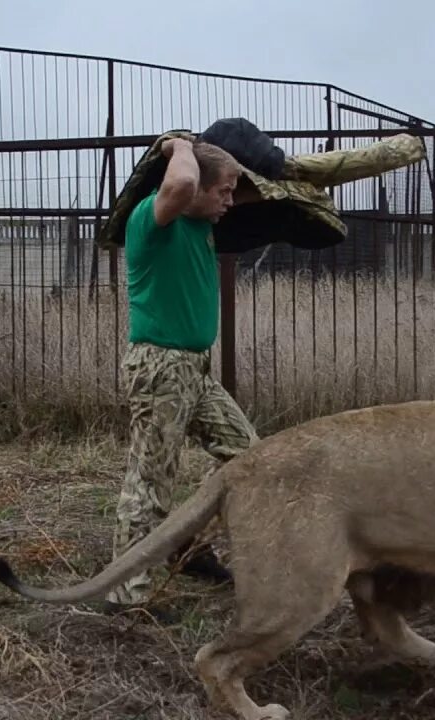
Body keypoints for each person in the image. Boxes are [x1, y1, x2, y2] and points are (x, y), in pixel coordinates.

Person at [104, 137, 259, 616]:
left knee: (250, 457)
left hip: (196, 369)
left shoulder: (199, 221)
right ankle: (126, 595)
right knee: (150, 482)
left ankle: (188, 544)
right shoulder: (153, 219)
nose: (229, 202)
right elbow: (187, 179)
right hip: (161, 368)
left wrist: (238, 167)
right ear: (192, 189)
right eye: (224, 192)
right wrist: (178, 145)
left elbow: (230, 190)